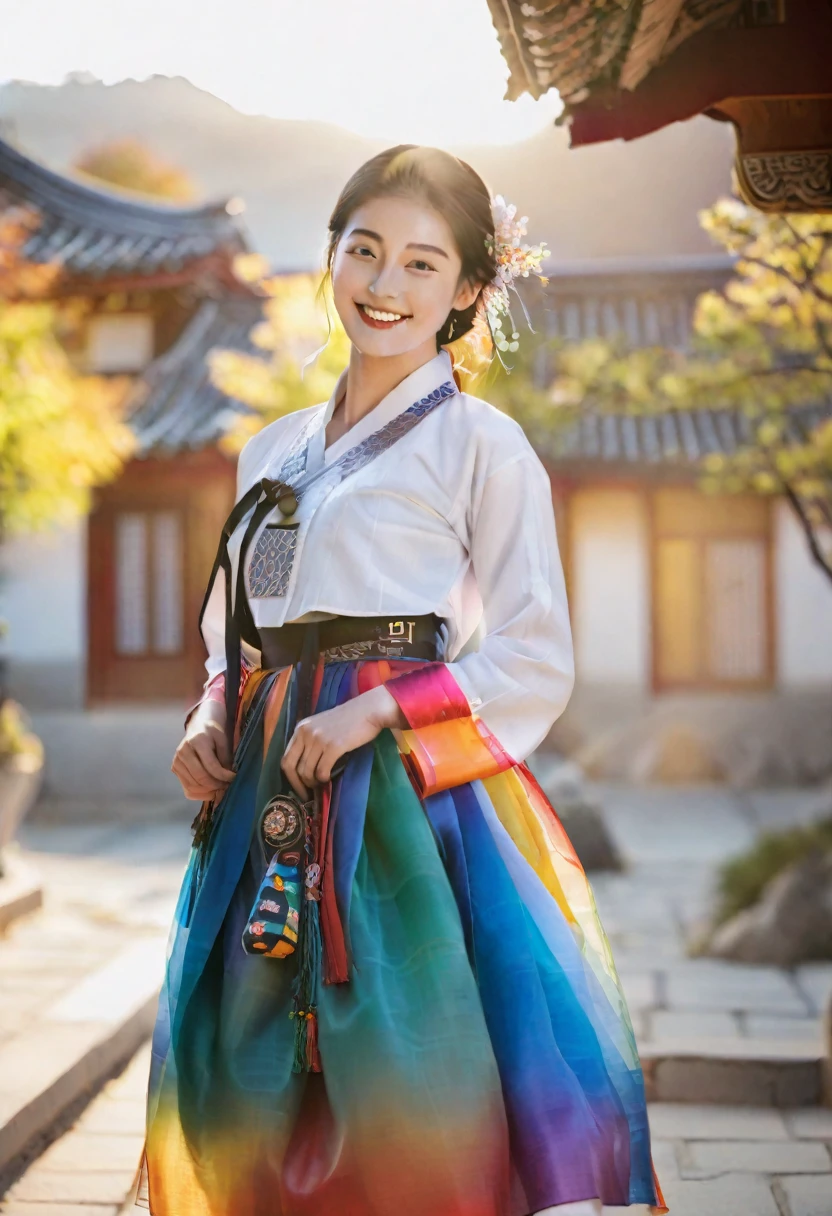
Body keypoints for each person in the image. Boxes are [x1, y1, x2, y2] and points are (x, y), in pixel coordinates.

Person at [139, 145, 666, 1216]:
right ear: (329, 256)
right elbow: (236, 636)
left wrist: (380, 706)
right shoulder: (270, 454)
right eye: (365, 251)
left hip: (402, 802)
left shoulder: (482, 445)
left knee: (409, 1071)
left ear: (470, 290)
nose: (385, 286)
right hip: (264, 794)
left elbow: (532, 650)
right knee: (235, 1073)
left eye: (423, 265)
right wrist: (208, 713)